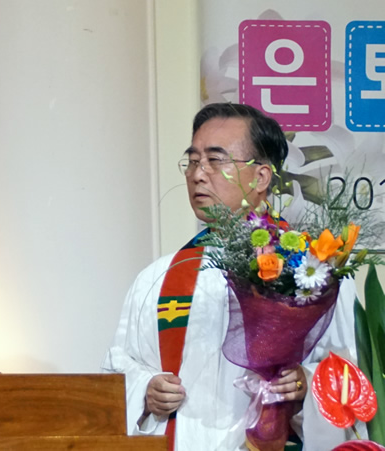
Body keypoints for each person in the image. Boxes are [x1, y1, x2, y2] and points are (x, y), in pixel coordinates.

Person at [101, 103, 359, 450]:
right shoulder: (157, 279)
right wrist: (145, 390)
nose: (198, 174)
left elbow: (353, 373)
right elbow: (117, 370)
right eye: (193, 160)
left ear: (262, 177)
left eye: (215, 160)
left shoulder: (315, 273)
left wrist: (304, 385)